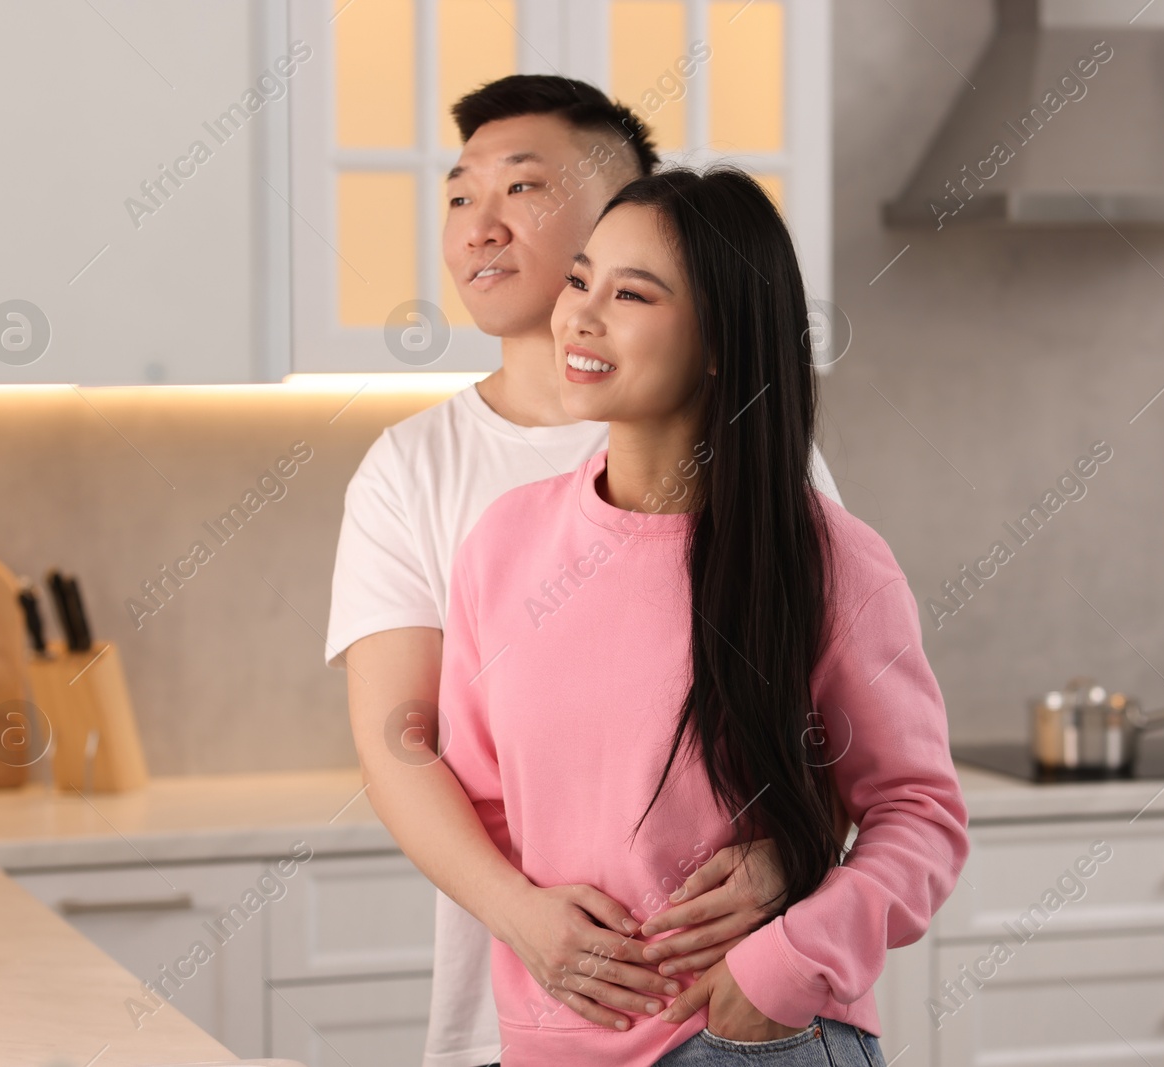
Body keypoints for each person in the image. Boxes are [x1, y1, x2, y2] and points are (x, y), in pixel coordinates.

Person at [326, 77, 847, 1067]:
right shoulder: (416, 467)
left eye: (520, 189)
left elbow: (840, 717)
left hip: (744, 1018)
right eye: (457, 196)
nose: (477, 227)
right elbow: (399, 739)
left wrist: (794, 848)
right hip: (517, 1021)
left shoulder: (752, 454)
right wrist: (521, 914)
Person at [435, 167, 970, 1066]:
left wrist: (787, 964)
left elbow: (919, 814)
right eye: (579, 281)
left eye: (631, 294)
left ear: (721, 340)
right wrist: (528, 937)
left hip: (749, 1039)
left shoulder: (827, 559)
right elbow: (481, 800)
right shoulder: (502, 544)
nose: (580, 316)